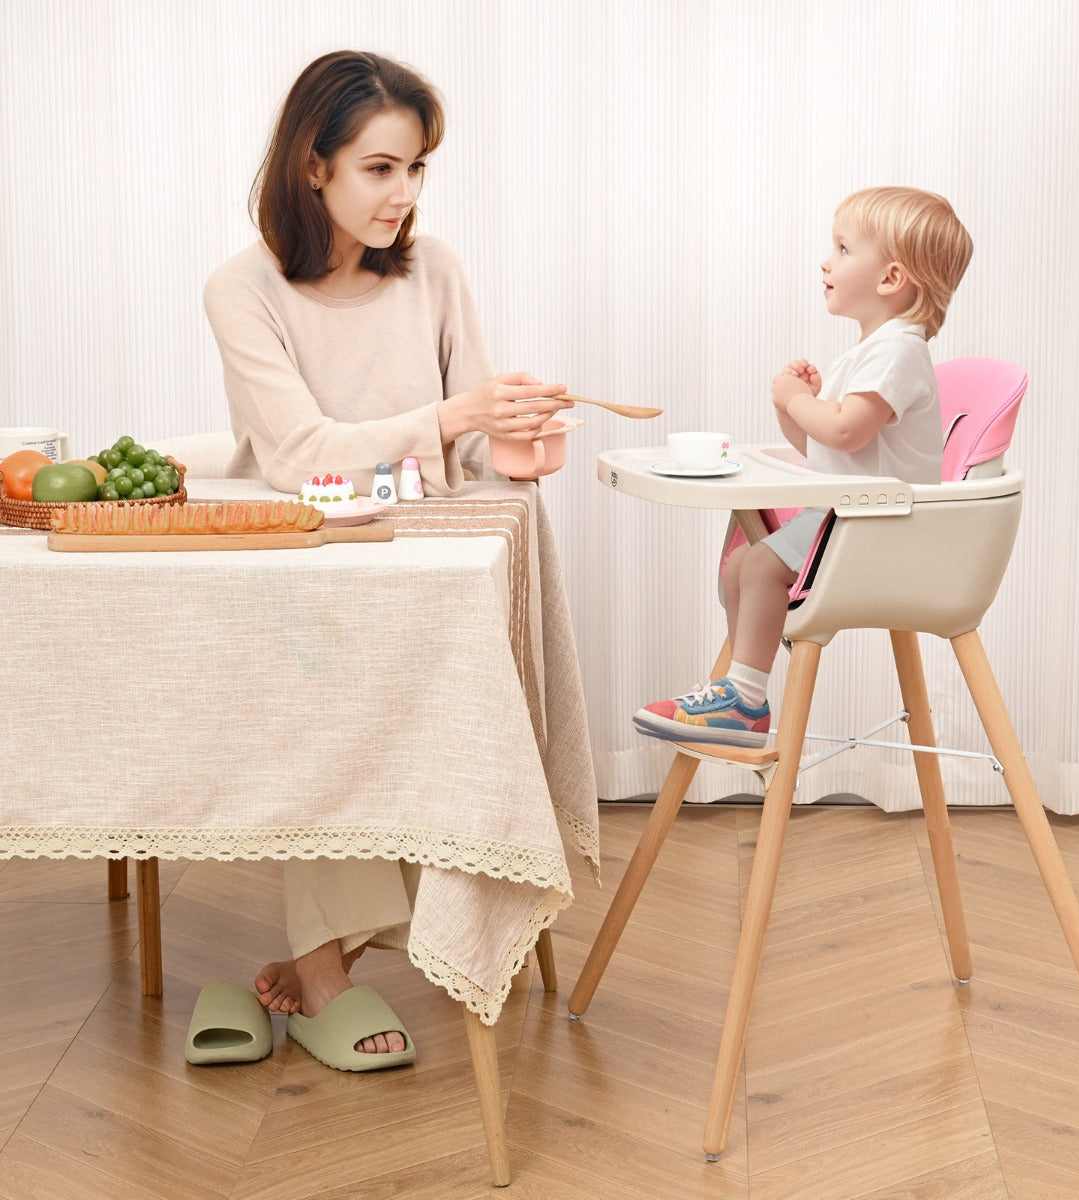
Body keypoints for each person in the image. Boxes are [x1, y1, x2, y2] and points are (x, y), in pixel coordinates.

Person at [203, 50, 574, 1068]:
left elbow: (473, 447)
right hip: (306, 576)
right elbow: (296, 455)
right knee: (330, 701)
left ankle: (349, 939)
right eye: (379, 169)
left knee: (460, 703)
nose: (403, 193)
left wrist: (519, 427)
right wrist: (454, 418)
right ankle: (322, 964)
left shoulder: (434, 269)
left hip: (423, 568)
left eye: (415, 169)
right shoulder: (243, 289)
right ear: (312, 165)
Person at [634, 186, 973, 749]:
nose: (826, 262)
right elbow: (825, 450)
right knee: (742, 564)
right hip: (853, 516)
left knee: (763, 565)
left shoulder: (898, 350)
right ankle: (739, 687)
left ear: (891, 278)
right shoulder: (870, 352)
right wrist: (795, 407)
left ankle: (745, 699)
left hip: (880, 529)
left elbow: (845, 430)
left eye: (843, 249)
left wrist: (797, 399)